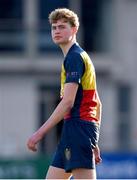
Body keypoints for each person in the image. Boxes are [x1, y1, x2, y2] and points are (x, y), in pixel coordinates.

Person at [27, 8, 102, 179]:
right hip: (76, 130)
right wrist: (94, 139)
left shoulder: (74, 57)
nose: (57, 31)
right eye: (54, 28)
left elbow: (68, 102)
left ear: (74, 29)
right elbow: (97, 103)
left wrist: (39, 133)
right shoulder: (77, 56)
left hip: (78, 128)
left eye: (62, 27)